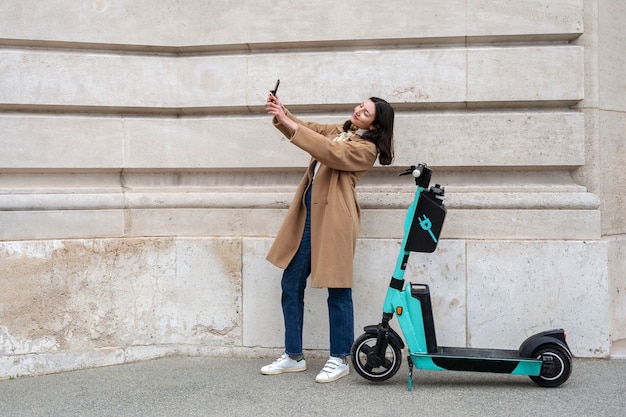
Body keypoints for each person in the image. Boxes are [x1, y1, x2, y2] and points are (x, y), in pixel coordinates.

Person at [261, 90, 395, 383]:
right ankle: (293, 355)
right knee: (291, 281)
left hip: (335, 221)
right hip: (308, 218)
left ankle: (339, 358)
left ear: (375, 126)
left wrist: (287, 120)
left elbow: (327, 151)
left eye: (366, 112)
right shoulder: (341, 131)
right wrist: (282, 112)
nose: (359, 111)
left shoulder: (366, 149)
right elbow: (311, 130)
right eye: (360, 105)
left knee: (338, 287)